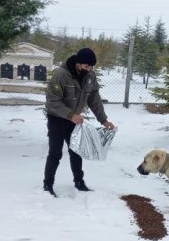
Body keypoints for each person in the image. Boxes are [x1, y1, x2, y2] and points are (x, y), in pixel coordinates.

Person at [43, 47, 115, 197]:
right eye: (86, 66)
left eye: (91, 66)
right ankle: (47, 185)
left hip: (73, 120)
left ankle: (79, 182)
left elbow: (94, 99)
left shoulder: (90, 76)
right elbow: (52, 102)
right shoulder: (61, 75)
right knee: (55, 153)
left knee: (76, 151)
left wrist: (104, 120)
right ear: (78, 63)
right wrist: (70, 115)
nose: (88, 69)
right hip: (57, 118)